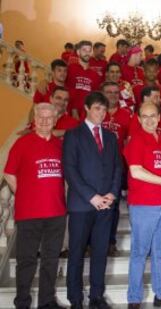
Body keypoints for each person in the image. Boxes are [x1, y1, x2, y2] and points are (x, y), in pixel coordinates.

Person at [4, 103, 66, 309]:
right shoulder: (22, 143)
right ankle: (22, 302)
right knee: (26, 260)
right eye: (41, 117)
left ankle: (47, 301)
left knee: (51, 260)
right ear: (34, 119)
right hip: (29, 213)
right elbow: (9, 173)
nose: (45, 121)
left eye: (49, 118)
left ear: (55, 120)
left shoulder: (59, 145)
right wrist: (24, 193)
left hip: (56, 212)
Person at [63, 91, 122, 309]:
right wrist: (92, 196)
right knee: (76, 253)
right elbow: (70, 170)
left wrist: (113, 194)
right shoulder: (73, 134)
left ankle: (96, 296)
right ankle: (75, 299)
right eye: (97, 108)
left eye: (104, 109)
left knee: (100, 252)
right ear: (87, 108)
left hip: (106, 205)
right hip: (81, 205)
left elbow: (117, 167)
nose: (101, 113)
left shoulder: (110, 136)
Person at [124, 102, 161, 309]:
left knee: (160, 252)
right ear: (139, 119)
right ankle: (134, 299)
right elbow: (136, 171)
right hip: (143, 205)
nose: (149, 120)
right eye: (144, 116)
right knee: (139, 252)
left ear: (160, 118)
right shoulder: (136, 140)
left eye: (153, 116)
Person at [101, 81, 132, 257]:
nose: (112, 95)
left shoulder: (126, 114)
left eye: (115, 92)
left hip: (117, 167)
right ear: (102, 93)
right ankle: (92, 242)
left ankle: (110, 242)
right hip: (96, 167)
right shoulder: (97, 112)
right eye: (108, 92)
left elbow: (129, 141)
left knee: (112, 206)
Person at [66, 40, 101, 120]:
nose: (87, 53)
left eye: (89, 51)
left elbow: (95, 97)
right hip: (68, 111)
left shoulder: (95, 75)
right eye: (84, 50)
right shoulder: (70, 69)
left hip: (86, 115)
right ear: (78, 52)